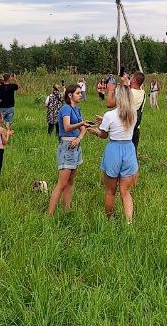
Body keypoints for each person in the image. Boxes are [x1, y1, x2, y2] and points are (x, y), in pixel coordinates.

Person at [86, 85, 139, 223]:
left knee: (110, 191)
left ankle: (110, 219)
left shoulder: (109, 115)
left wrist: (96, 130)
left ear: (118, 97)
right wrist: (104, 121)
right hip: (129, 150)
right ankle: (129, 222)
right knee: (125, 191)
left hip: (114, 150)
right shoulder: (133, 114)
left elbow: (104, 134)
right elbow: (120, 124)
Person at [48, 85, 86, 216]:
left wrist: (79, 138)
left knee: (70, 181)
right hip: (67, 146)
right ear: (70, 95)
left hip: (76, 146)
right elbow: (67, 126)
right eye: (78, 93)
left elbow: (83, 128)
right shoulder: (65, 109)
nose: (81, 95)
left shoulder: (77, 109)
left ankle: (67, 209)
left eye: (81, 93)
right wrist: (81, 124)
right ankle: (49, 215)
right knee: (62, 183)